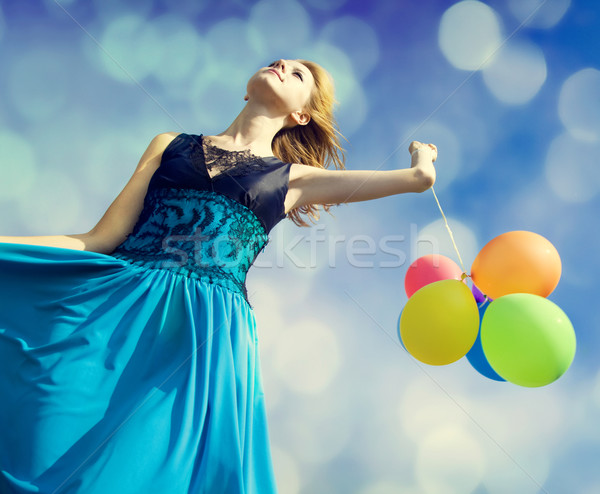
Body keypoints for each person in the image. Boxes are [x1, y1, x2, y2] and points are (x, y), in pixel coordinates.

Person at [0, 59, 437, 493]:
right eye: (277, 61)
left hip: (203, 333)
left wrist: (422, 160)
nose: (283, 65)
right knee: (49, 429)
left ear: (301, 115)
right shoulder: (168, 144)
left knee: (149, 466)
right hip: (119, 307)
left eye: (298, 74)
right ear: (246, 90)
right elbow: (101, 237)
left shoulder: (295, 179)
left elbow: (417, 180)